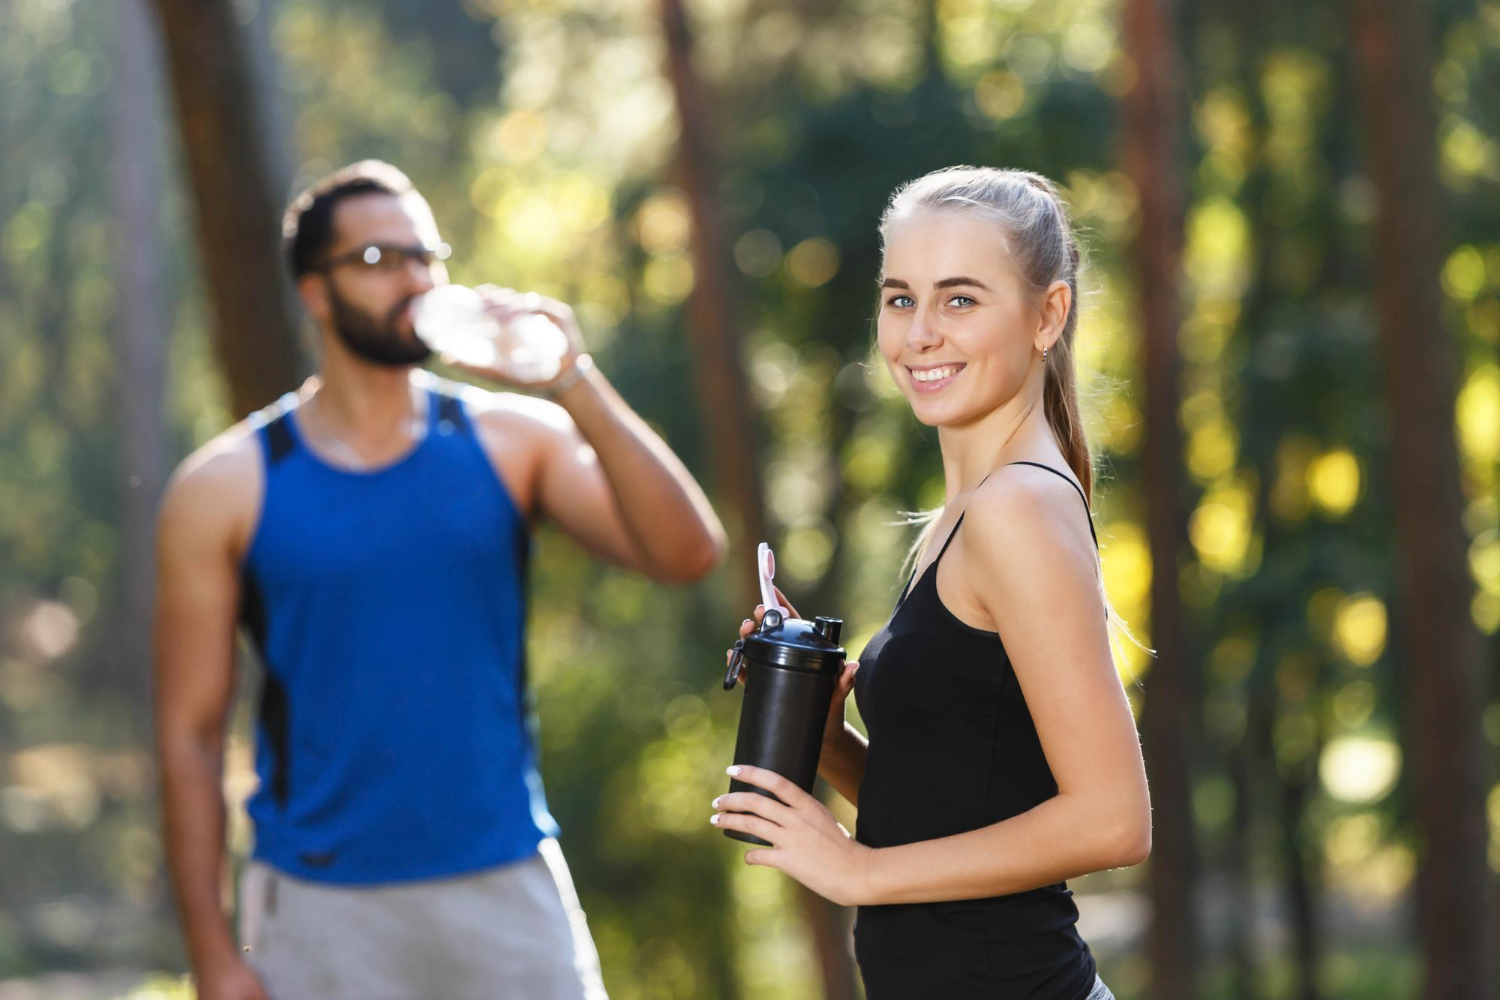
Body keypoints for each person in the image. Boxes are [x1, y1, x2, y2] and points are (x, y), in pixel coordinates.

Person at [154, 160, 726, 1000]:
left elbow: (687, 554)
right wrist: (213, 958)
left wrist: (573, 381)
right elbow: (189, 737)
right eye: (382, 260)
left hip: (506, 887)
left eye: (427, 254)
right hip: (318, 907)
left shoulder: (511, 437)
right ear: (316, 291)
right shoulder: (225, 485)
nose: (417, 277)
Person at [712, 166, 1150, 999]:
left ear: (1047, 315)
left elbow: (1113, 820)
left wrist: (857, 872)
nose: (919, 334)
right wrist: (827, 736)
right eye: (900, 298)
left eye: (960, 300)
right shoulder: (968, 511)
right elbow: (955, 809)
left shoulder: (1015, 508)